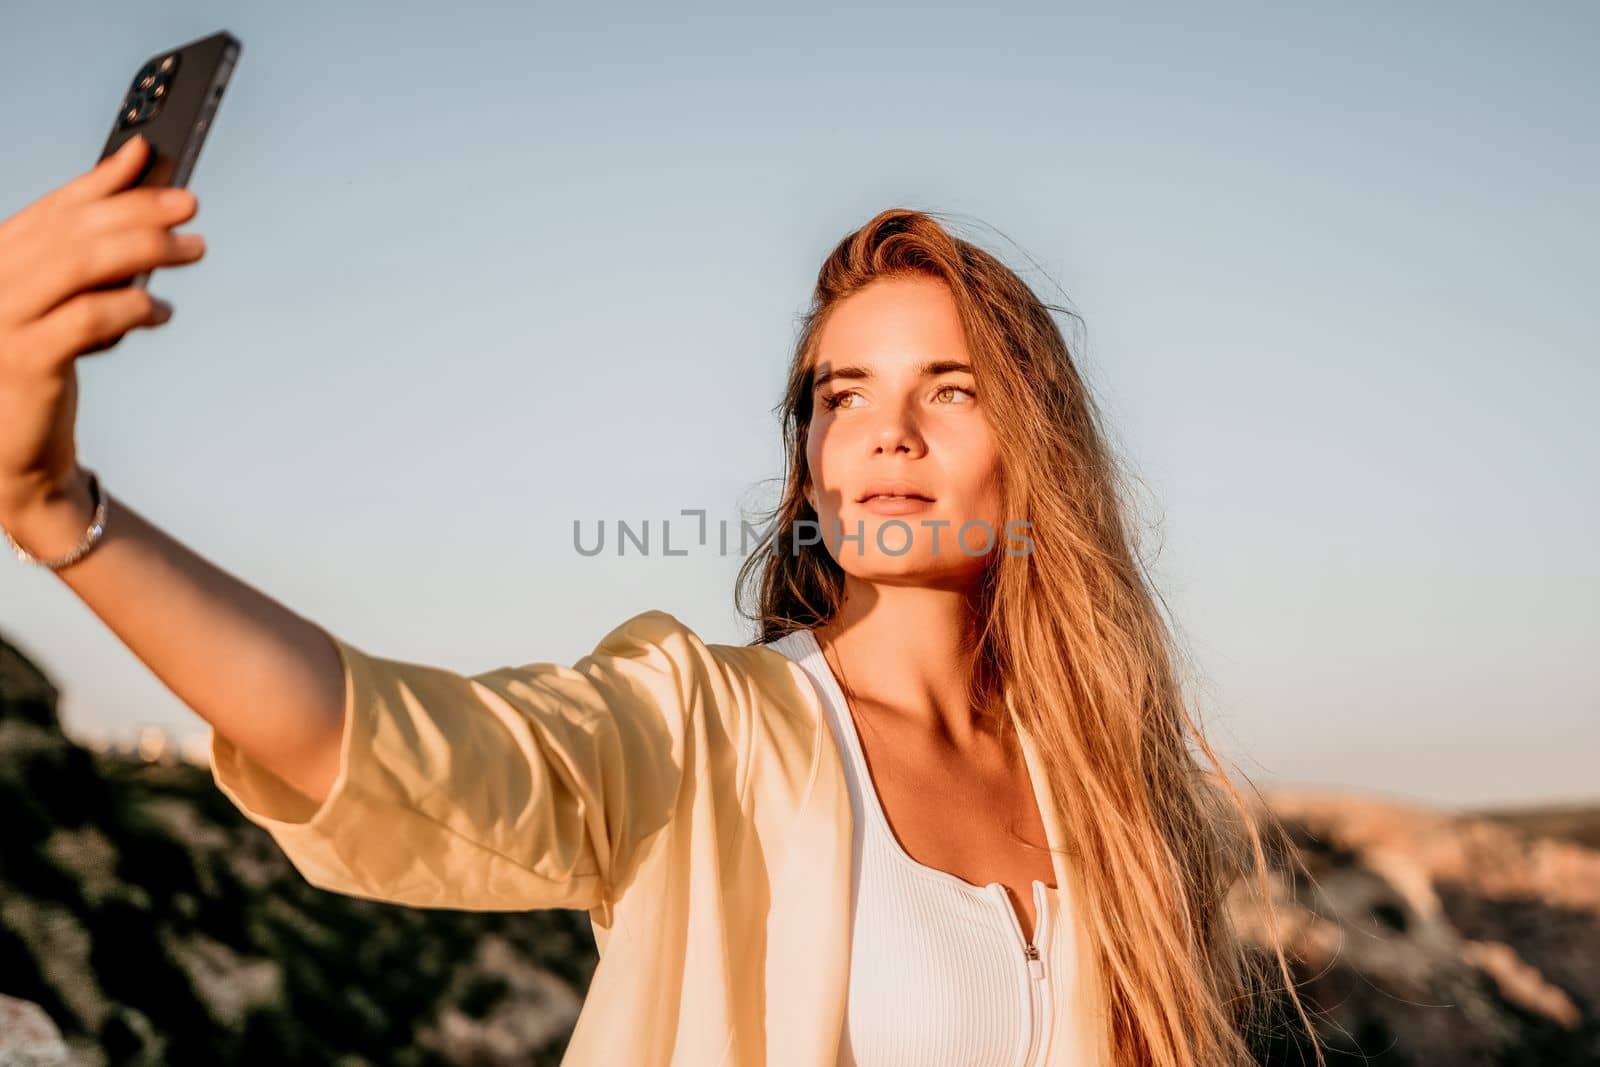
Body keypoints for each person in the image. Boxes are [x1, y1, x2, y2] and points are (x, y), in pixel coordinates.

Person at [0, 135, 1325, 1066]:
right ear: (807, 454)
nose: (887, 435)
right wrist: (59, 508)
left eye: (950, 389)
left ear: (1034, 446)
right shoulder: (704, 726)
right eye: (842, 396)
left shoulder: (1105, 777)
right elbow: (373, 734)